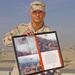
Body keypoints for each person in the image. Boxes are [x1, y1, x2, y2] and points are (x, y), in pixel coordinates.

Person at [2, 1, 60, 75]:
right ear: (30, 14)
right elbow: (5, 41)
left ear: (44, 14)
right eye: (34, 12)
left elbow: (54, 60)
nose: (37, 15)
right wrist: (21, 36)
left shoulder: (49, 34)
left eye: (40, 12)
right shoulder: (21, 28)